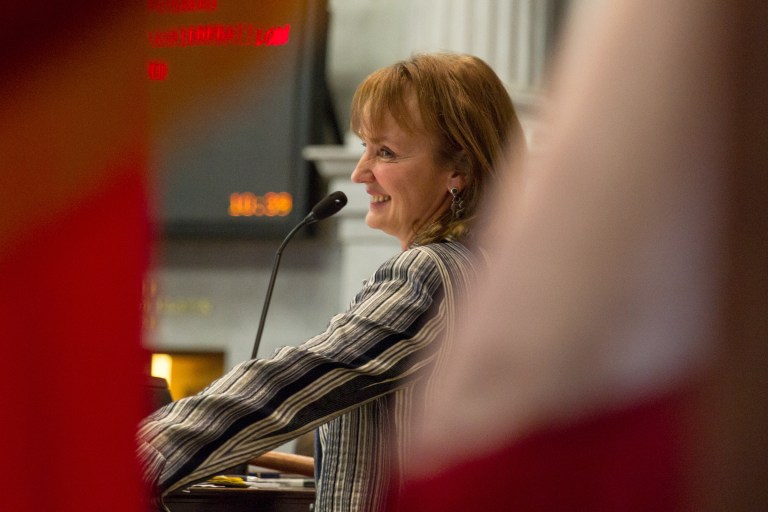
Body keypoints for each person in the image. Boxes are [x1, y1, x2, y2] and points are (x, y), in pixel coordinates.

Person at [137, 52, 525, 511]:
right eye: (364, 147)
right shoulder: (488, 273)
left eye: (385, 152)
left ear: (457, 170)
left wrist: (137, 456)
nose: (360, 173)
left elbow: (287, 384)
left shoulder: (431, 274)